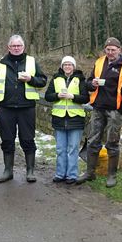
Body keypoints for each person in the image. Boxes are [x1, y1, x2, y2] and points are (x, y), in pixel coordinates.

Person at [76, 37, 122, 187]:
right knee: (92, 140)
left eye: (113, 50)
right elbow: (88, 82)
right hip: (98, 108)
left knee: (112, 142)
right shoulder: (99, 62)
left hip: (115, 110)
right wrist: (92, 84)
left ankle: (111, 175)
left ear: (120, 50)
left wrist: (121, 109)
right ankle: (90, 173)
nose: (110, 52)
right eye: (107, 50)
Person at [0, 35, 48, 183]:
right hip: (6, 109)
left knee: (28, 139)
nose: (16, 48)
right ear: (8, 47)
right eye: (13, 46)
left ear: (23, 47)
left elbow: (42, 81)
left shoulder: (31, 61)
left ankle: (30, 171)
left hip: (26, 108)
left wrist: (31, 79)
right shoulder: (1, 63)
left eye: (19, 46)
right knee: (7, 140)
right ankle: (8, 170)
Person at [44, 56, 89, 184]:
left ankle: (72, 175)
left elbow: (86, 98)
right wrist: (57, 95)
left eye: (70, 65)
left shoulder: (80, 79)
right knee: (60, 149)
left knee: (73, 148)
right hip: (59, 118)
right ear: (62, 66)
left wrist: (72, 96)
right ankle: (60, 173)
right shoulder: (56, 78)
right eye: (65, 65)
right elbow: (48, 96)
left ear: (74, 67)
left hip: (75, 118)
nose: (67, 67)